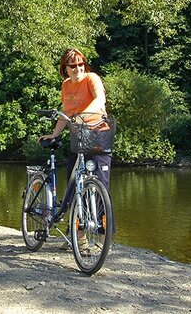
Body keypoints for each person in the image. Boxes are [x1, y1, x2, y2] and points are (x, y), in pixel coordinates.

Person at [39, 48, 113, 245]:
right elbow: (65, 112)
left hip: (98, 135)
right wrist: (54, 133)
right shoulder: (66, 85)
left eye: (81, 64)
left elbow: (100, 100)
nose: (78, 68)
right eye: (73, 65)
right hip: (77, 137)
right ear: (65, 68)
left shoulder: (91, 78)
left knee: (100, 187)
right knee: (75, 185)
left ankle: (103, 239)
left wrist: (83, 116)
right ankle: (78, 237)